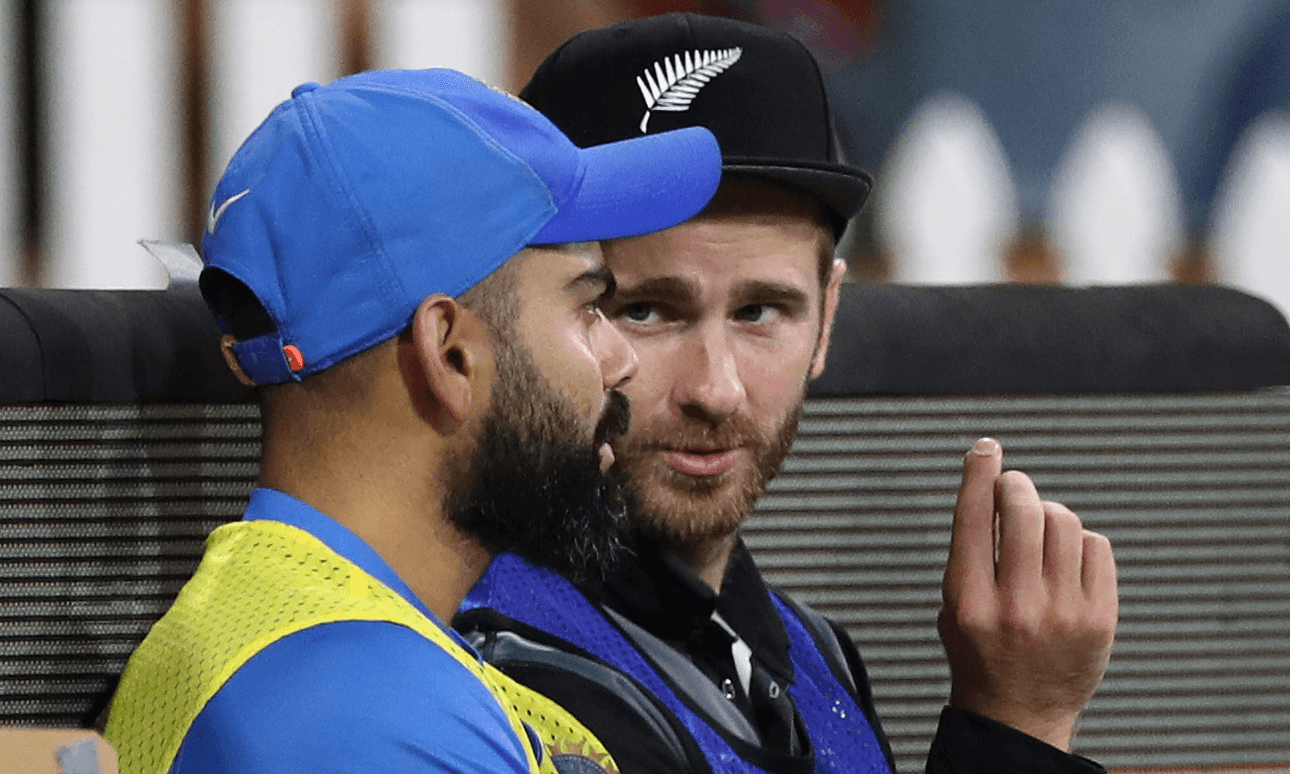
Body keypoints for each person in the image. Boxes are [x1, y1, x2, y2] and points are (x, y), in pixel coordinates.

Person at [457, 13, 1118, 774]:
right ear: (528, 316)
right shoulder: (485, 670)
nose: (716, 389)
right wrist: (1015, 729)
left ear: (827, 317)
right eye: (646, 310)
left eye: (760, 311)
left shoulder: (815, 659)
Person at [103, 67, 722, 774]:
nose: (623, 360)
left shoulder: (354, 653)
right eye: (588, 306)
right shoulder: (352, 713)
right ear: (450, 354)